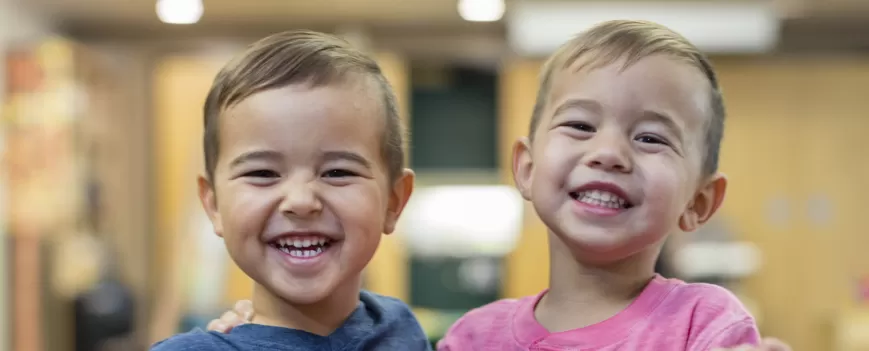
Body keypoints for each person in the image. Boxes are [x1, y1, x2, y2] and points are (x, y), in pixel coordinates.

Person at [204, 20, 794, 351]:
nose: (609, 153)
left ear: (699, 201)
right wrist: (258, 328)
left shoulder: (705, 326)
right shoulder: (470, 339)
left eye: (650, 137)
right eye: (580, 126)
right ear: (527, 168)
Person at [150, 29, 429, 351]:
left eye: (337, 172)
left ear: (394, 201)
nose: (301, 201)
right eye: (262, 173)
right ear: (213, 205)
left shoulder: (401, 329)